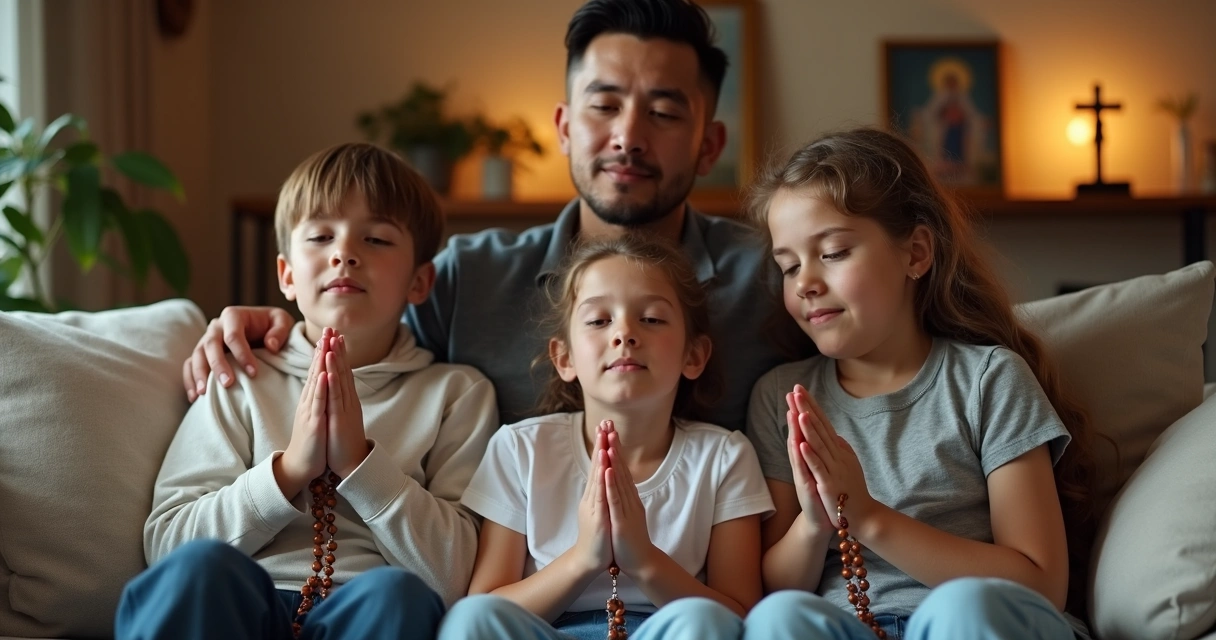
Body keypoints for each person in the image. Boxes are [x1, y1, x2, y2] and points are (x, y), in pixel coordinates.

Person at [182, 0, 811, 433]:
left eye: (665, 113)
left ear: (710, 145)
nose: (628, 136)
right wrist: (276, 328)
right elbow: (364, 343)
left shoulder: (770, 275)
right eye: (604, 105)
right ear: (564, 128)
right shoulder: (463, 277)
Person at [706, 128, 1099, 639]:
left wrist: (865, 515)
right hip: (849, 627)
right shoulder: (781, 396)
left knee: (965, 607)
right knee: (777, 619)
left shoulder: (988, 380)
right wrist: (815, 521)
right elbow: (775, 586)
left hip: (970, 622)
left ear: (915, 253)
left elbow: (1041, 584)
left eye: (833, 253)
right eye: (789, 265)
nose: (805, 283)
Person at [115, 143, 499, 640]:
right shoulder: (241, 377)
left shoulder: (456, 394)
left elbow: (458, 574)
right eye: (320, 236)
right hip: (241, 604)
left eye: (378, 239)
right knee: (200, 569)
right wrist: (290, 469)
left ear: (419, 281)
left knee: (396, 595)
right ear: (287, 275)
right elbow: (167, 547)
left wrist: (361, 463)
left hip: (366, 611)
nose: (345, 253)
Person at [437, 234, 773, 640]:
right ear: (565, 358)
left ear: (694, 356)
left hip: (668, 631)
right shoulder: (521, 449)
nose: (624, 334)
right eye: (599, 320)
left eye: (651, 318)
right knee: (470, 619)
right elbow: (486, 603)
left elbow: (740, 614)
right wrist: (585, 558)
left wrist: (643, 559)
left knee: (705, 621)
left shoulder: (723, 457)